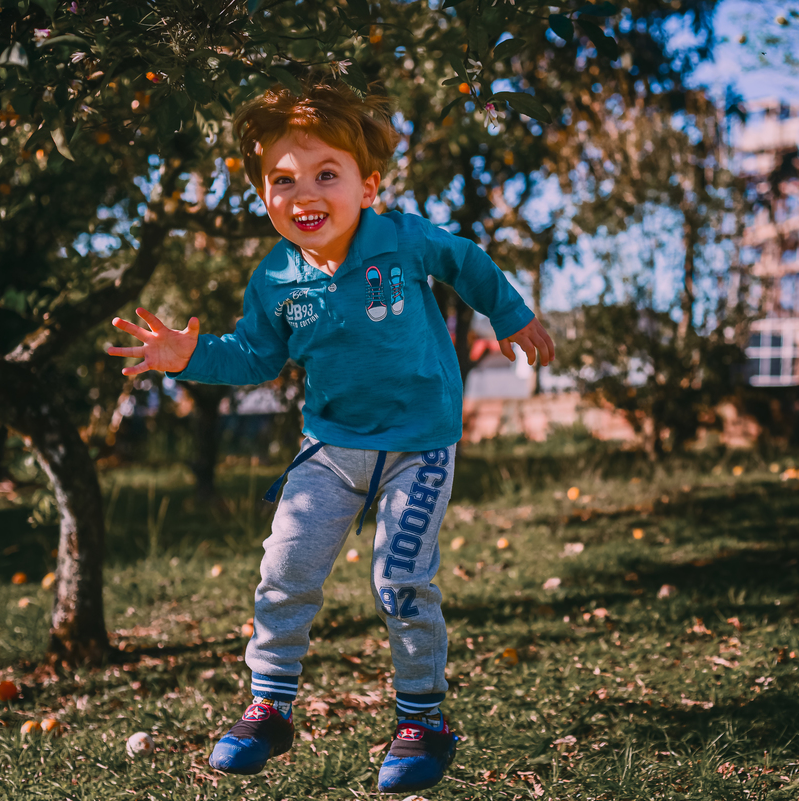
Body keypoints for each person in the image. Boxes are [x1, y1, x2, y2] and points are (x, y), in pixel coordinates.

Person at [106, 81, 554, 793]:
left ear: (367, 185)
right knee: (284, 565)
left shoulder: (402, 240)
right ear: (262, 194)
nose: (303, 192)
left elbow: (466, 260)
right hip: (332, 448)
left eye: (325, 174)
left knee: (401, 578)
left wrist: (508, 313)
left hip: (419, 444)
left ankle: (423, 721)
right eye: (282, 179)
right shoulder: (276, 277)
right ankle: (269, 706)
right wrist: (188, 355)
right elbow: (255, 355)